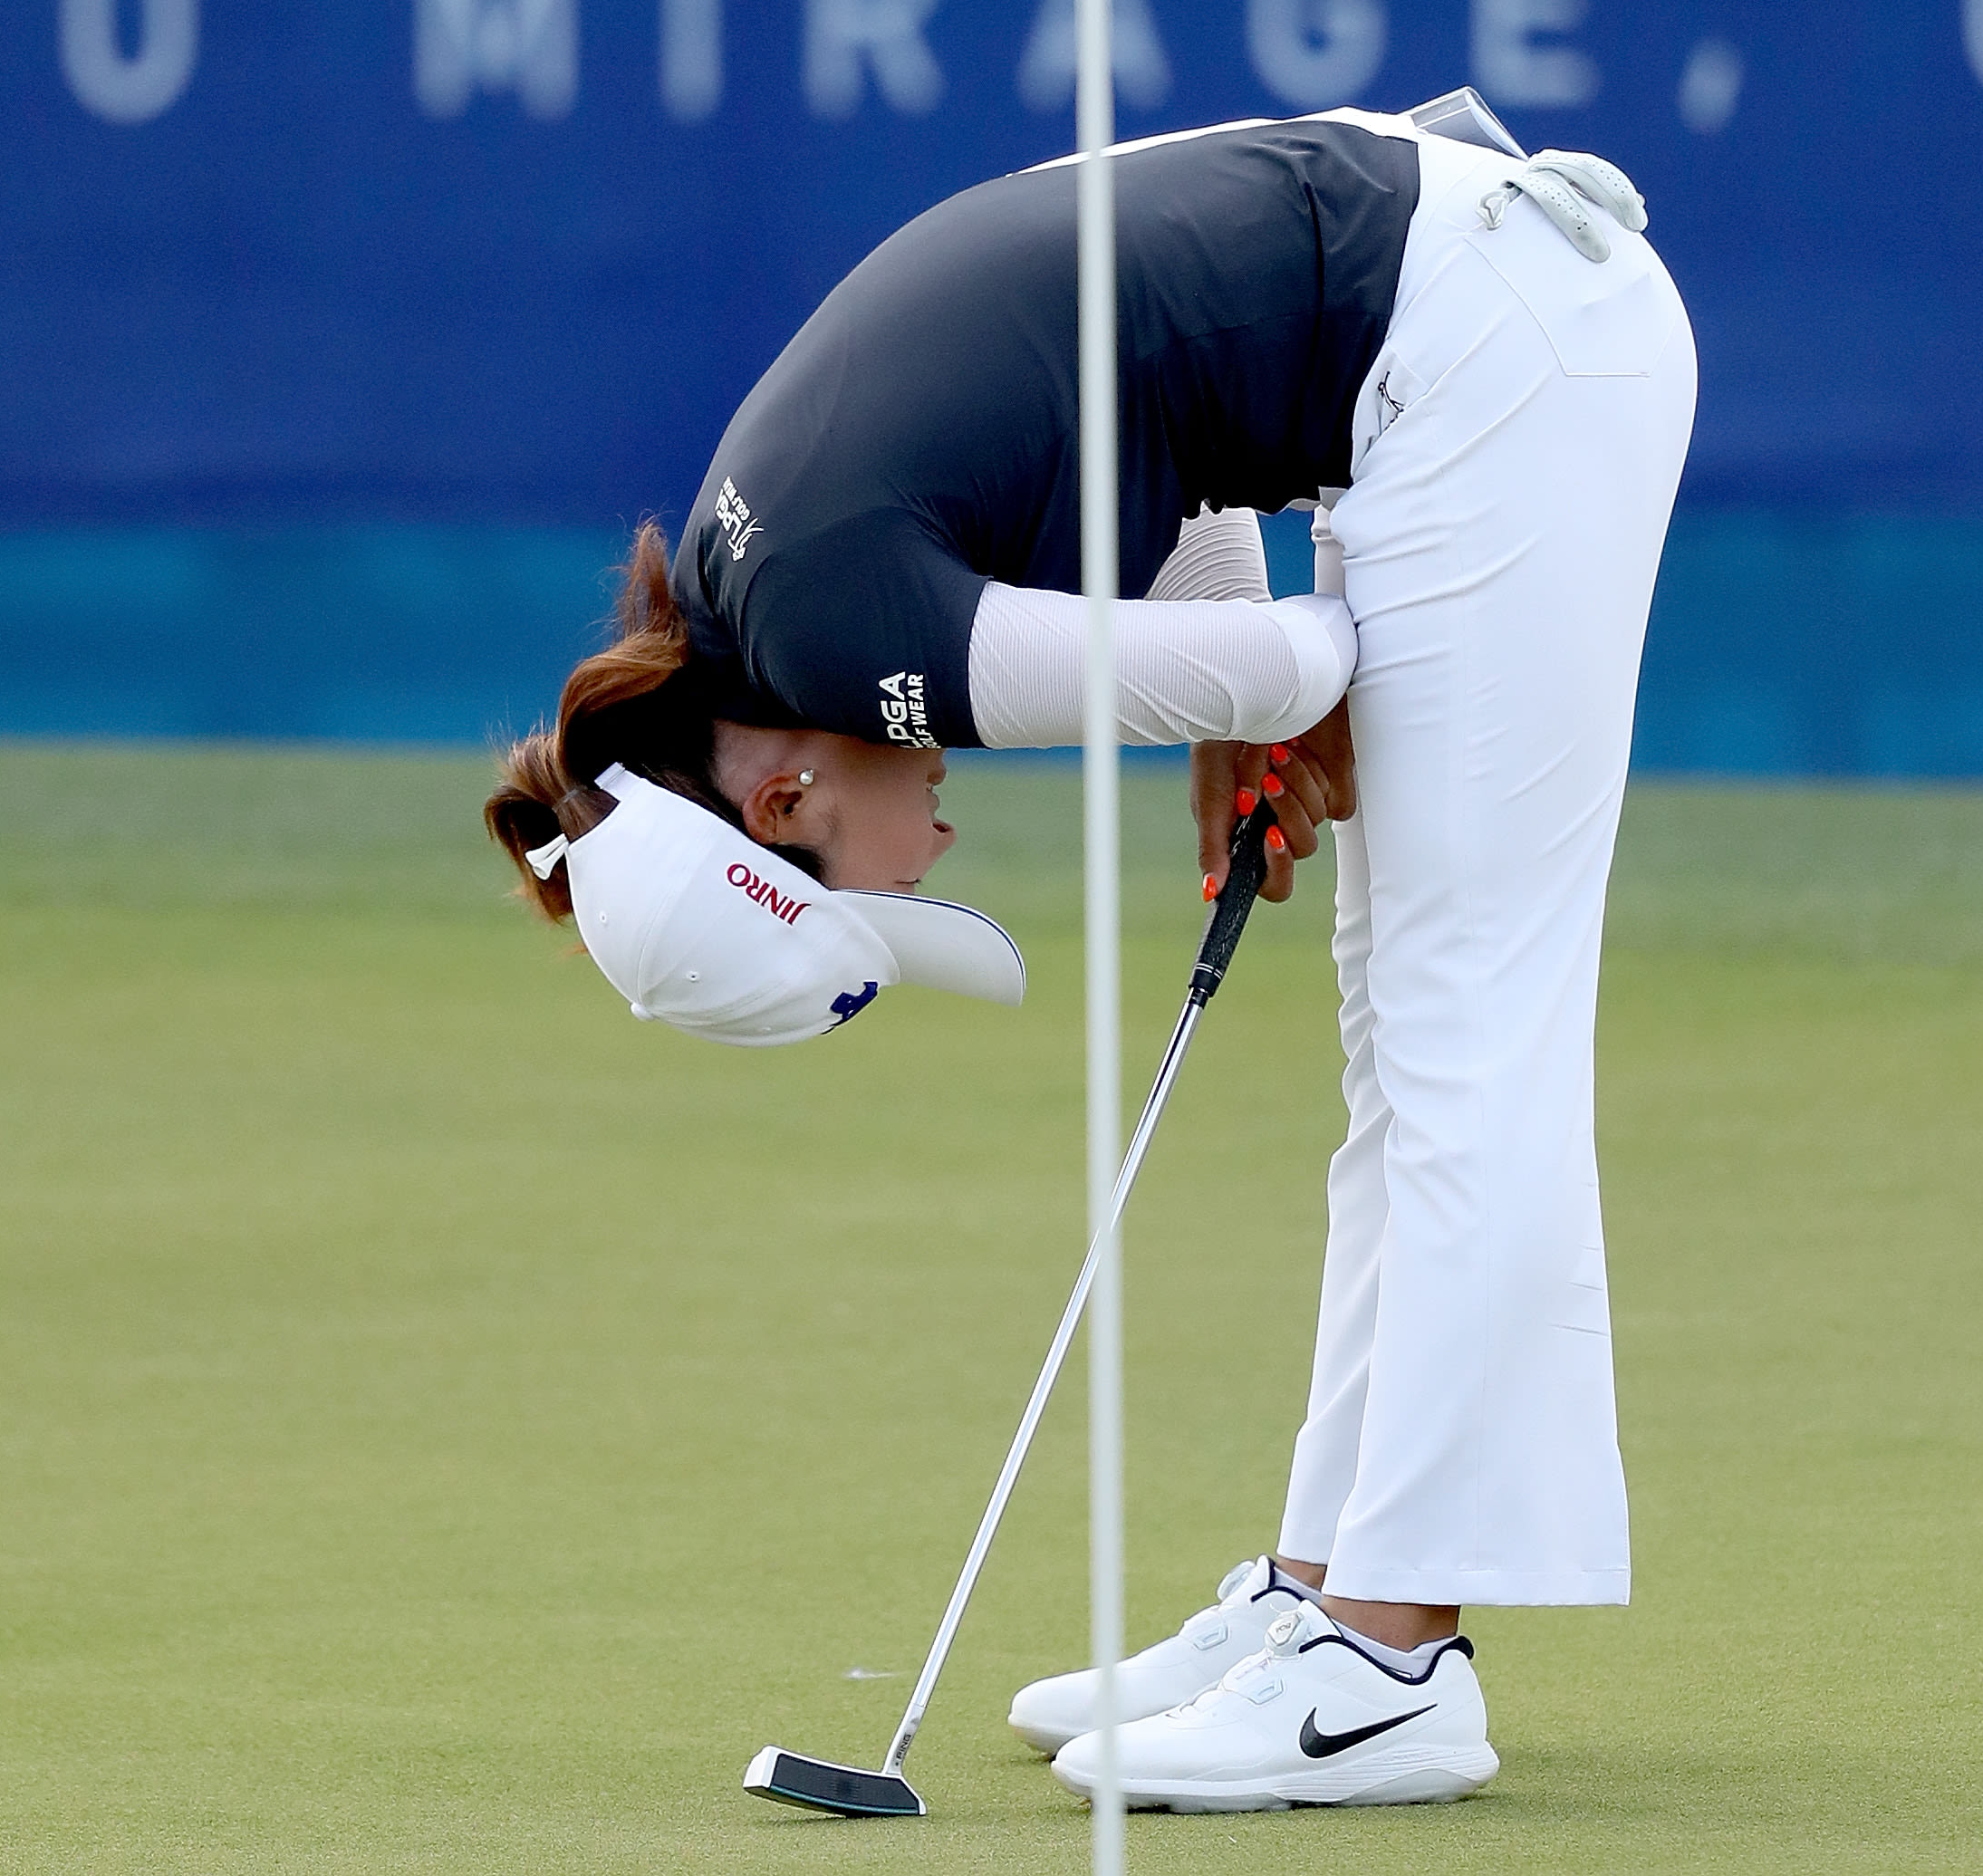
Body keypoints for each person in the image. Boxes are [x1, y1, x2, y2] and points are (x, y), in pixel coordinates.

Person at [486, 93, 1697, 1811]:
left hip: (1496, 355)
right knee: (1408, 1042)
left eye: (872, 903)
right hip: (1456, 321)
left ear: (782, 804)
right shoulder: (753, 586)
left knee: (1463, 1025)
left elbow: (1295, 665)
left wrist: (1232, 700)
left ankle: (1385, 1671)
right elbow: (1139, 433)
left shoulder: (848, 644)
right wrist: (1226, 685)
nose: (930, 863)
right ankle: (1323, 1589)